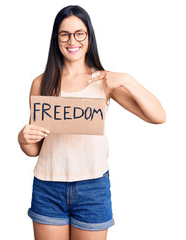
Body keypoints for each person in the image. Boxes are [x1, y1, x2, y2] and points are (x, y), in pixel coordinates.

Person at [18, 5, 166, 240]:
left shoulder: (104, 81)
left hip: (92, 188)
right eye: (64, 34)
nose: (72, 40)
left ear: (88, 36)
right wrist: (23, 138)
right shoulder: (41, 83)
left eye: (79, 33)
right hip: (48, 187)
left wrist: (127, 80)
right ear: (56, 38)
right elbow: (34, 149)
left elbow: (158, 116)